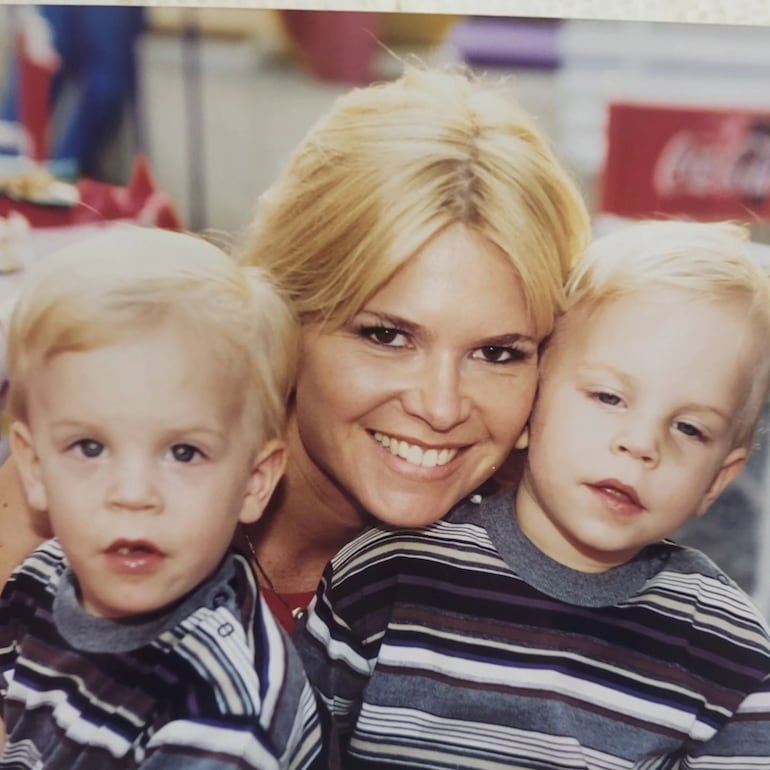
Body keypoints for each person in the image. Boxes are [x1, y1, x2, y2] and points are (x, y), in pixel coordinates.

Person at [0, 66, 591, 631]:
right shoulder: (101, 459)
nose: (440, 407)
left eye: (497, 354)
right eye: (386, 336)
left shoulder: (555, 554)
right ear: (287, 313)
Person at [294, 219, 770, 768]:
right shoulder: (387, 574)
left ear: (717, 480)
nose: (642, 445)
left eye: (690, 429)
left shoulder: (727, 651)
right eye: (609, 397)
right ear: (529, 407)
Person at [0, 227, 322, 769]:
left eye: (183, 453)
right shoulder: (41, 578)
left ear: (254, 481)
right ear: (34, 468)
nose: (132, 495)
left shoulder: (223, 715)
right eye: (90, 446)